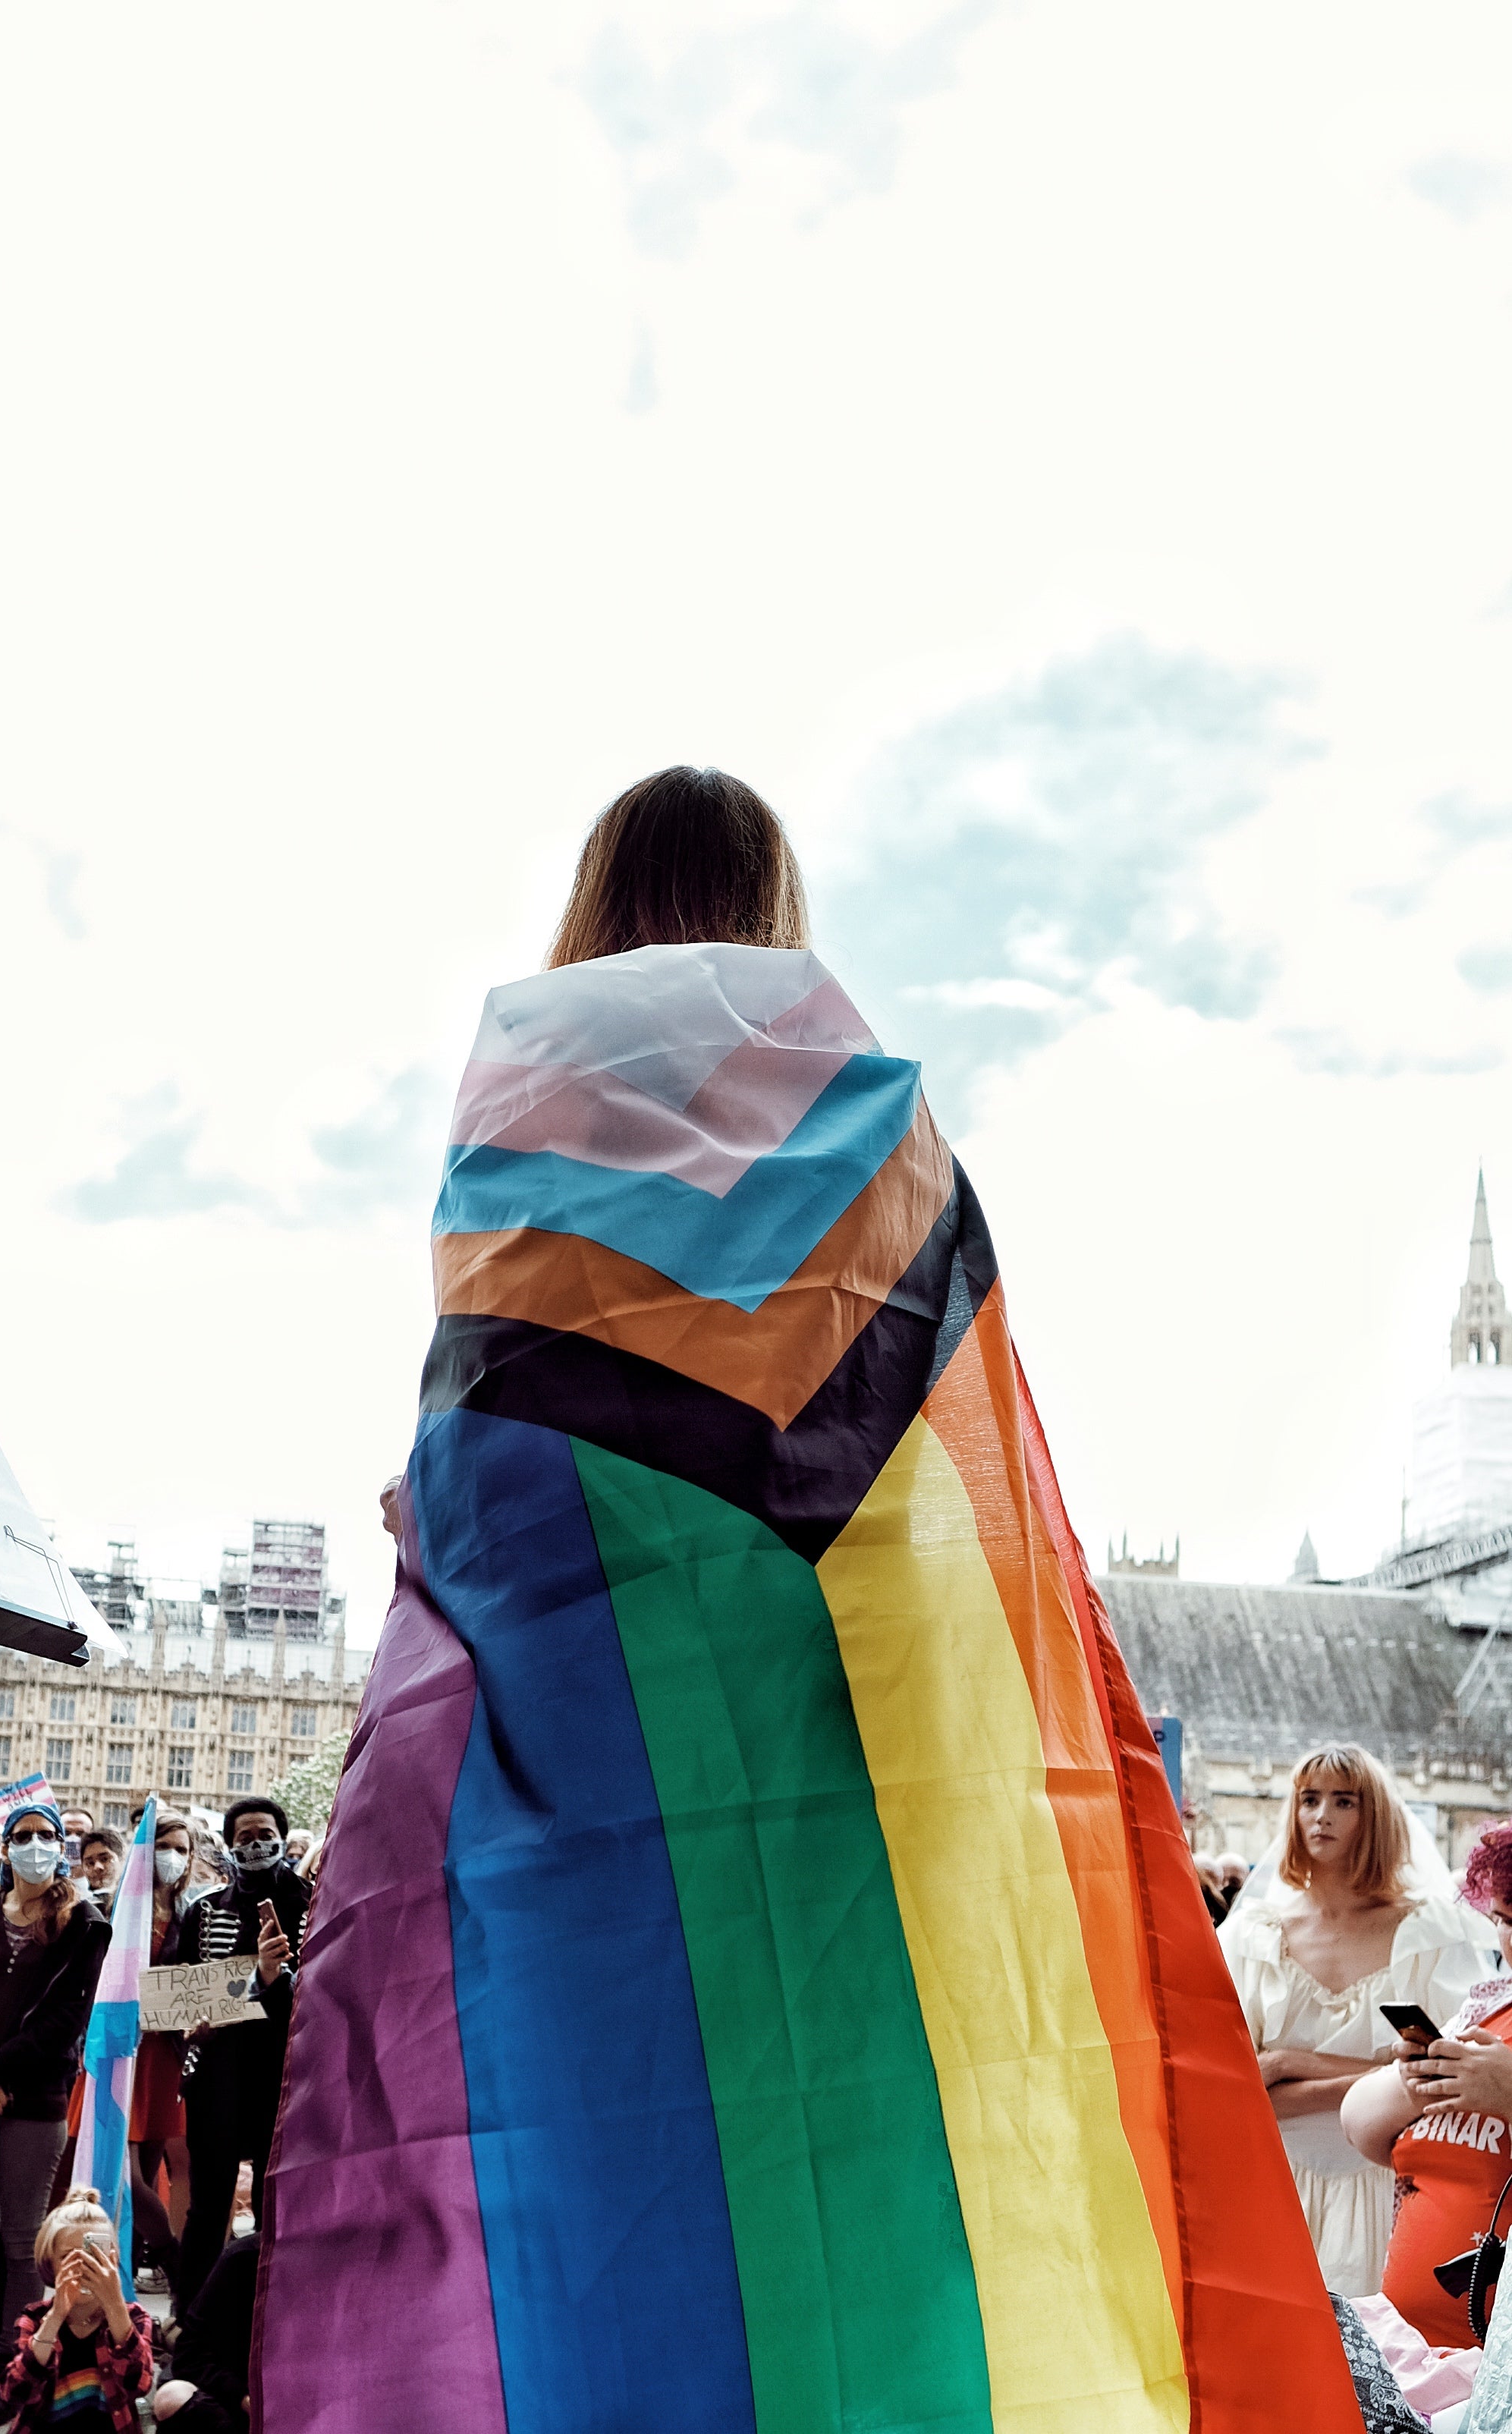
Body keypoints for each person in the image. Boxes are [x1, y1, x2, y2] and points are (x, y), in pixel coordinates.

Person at [259, 766, 1364, 2433]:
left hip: (599, 1842)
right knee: (881, 2254)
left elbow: (495, 1502)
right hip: (859, 1828)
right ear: (776, 908)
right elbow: (970, 1517)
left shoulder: (512, 1141)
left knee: (604, 2264)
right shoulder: (885, 1142)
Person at [1220, 1743, 1487, 2294]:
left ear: (1375, 1816)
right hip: (1272, 2182)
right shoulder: (1254, 1937)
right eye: (1309, 1799)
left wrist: (1290, 2062)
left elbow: (1442, 2078)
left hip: (1388, 2183)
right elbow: (1233, 2085)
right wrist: (1374, 2077)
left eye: (1343, 1801)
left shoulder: (1428, 1932)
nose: (1321, 1816)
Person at [1341, 1819, 1512, 2348]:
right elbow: (1363, 2131)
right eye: (1504, 1919)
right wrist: (1416, 2081)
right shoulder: (1486, 2006)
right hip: (1405, 2346)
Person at [174, 1800, 308, 2314]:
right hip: (219, 2076)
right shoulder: (205, 1911)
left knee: (276, 2205)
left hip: (289, 2076)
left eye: (265, 1833)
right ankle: (192, 2319)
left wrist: (279, 1982)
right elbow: (183, 1997)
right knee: (209, 2205)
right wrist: (255, 1980)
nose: (256, 1844)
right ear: (230, 1843)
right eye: (245, 1835)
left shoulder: (314, 1901)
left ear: (282, 1835)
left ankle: (273, 2318)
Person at [0, 1805, 110, 2360]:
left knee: (21, 2240)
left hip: (36, 2097)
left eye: (47, 1836)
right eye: (24, 1836)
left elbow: (65, 2017)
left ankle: (13, 2362)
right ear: (5, 1848)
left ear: (63, 1847)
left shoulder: (84, 1923)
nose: (36, 1845)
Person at [0, 2184, 152, 2431]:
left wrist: (114, 2304)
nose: (83, 2268)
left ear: (112, 2260)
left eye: (95, 2257)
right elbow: (13, 2395)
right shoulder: (34, 2319)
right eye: (71, 2258)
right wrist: (56, 2316)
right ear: (51, 2264)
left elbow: (138, 2385)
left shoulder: (133, 2317)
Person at [127, 1809, 206, 2296]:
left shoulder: (191, 1914)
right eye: (164, 1847)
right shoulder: (118, 1909)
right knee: (127, 2182)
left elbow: (199, 1984)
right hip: (119, 2052)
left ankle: (134, 2293)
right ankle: (181, 2269)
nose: (173, 1858)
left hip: (163, 2056)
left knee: (151, 2171)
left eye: (182, 1849)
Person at [152, 2229, 258, 2429]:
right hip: (247, 2399)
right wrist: (243, 2398)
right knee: (173, 2397)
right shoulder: (244, 2258)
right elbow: (190, 2356)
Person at [77, 1828, 124, 1914]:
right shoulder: (79, 1909)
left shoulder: (134, 1901)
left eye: (105, 1859)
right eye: (90, 1863)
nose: (97, 1867)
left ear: (121, 1858)